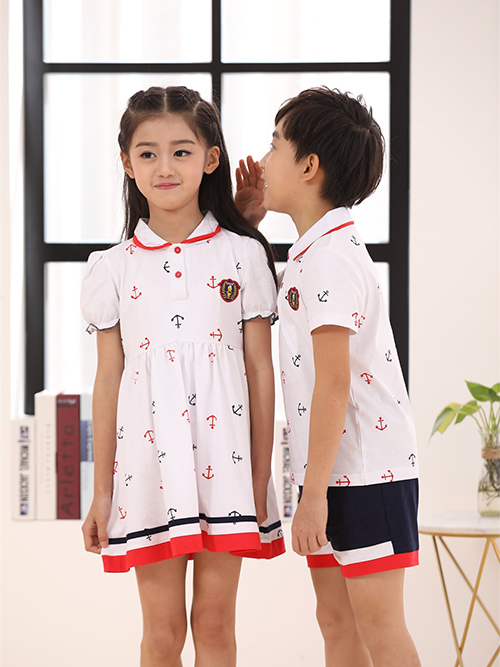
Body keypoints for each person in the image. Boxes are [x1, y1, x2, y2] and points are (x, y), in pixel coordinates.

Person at [80, 85, 285, 667]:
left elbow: (260, 371)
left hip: (229, 467)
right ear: (127, 164)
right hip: (146, 471)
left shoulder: (243, 255)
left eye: (181, 151)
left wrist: (260, 474)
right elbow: (108, 381)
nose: (164, 167)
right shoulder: (111, 269)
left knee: (215, 626)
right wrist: (102, 493)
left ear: (210, 158)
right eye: (147, 153)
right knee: (162, 634)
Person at [235, 87, 421, 667]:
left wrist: (312, 494)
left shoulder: (332, 257)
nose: (264, 159)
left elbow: (335, 383)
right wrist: (247, 226)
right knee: (336, 621)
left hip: (365, 472)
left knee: (379, 628)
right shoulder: (311, 252)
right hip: (330, 472)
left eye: (274, 145)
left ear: (309, 166)